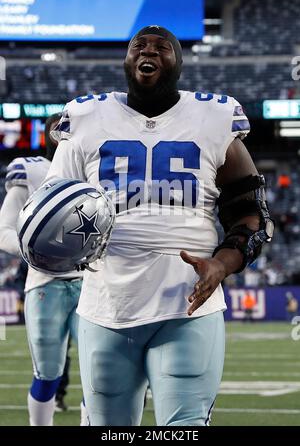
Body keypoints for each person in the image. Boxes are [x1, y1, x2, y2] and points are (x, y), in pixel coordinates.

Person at [46, 25, 274, 426]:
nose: (148, 51)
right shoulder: (84, 117)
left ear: (178, 63)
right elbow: (49, 209)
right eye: (139, 45)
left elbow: (250, 212)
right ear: (126, 59)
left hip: (188, 307)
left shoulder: (213, 117)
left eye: (162, 47)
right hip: (106, 306)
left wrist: (221, 265)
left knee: (184, 427)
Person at [0, 114, 88, 426]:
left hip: (92, 283)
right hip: (45, 284)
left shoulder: (96, 168)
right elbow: (4, 230)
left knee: (99, 373)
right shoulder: (32, 170)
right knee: (47, 373)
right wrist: (37, 249)